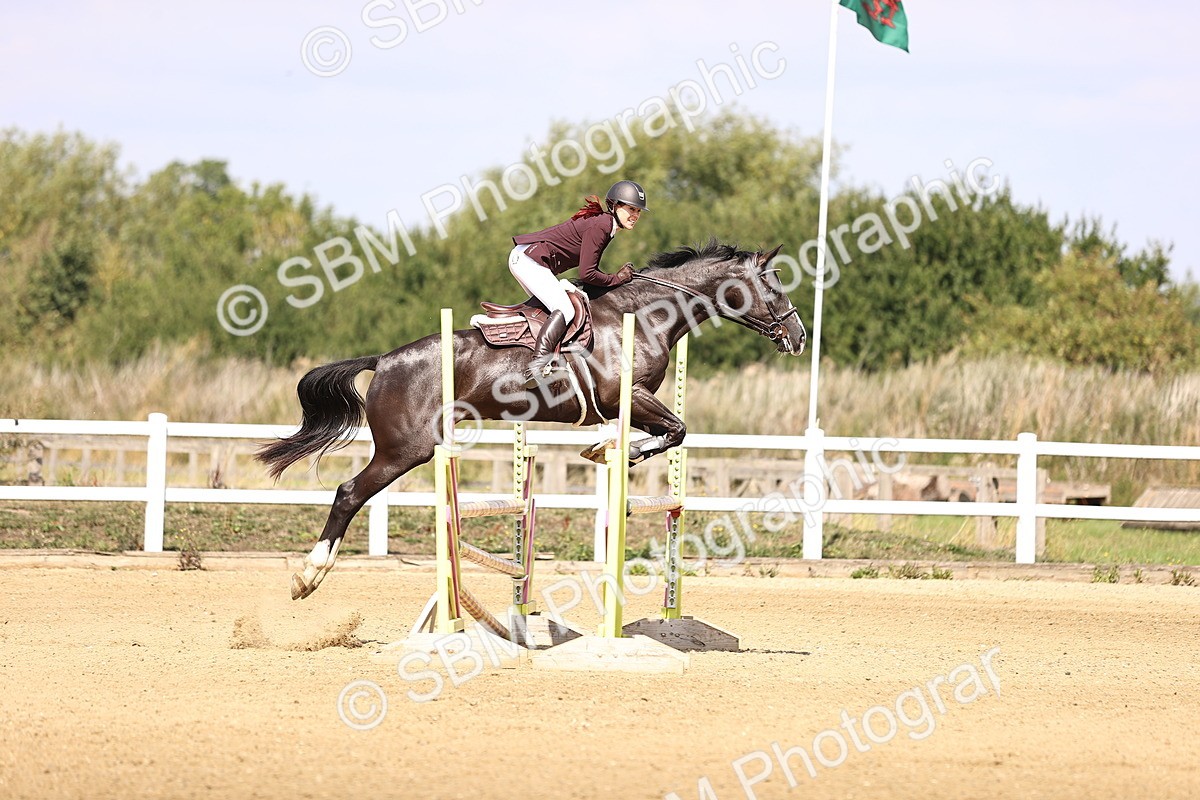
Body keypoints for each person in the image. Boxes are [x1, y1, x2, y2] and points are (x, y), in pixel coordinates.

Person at [509, 180, 648, 386]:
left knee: (549, 312)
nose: (635, 215)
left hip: (529, 259)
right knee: (565, 309)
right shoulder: (602, 225)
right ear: (615, 206)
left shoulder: (606, 226)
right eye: (630, 209)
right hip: (529, 260)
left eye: (638, 211)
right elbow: (587, 274)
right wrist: (617, 279)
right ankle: (537, 367)